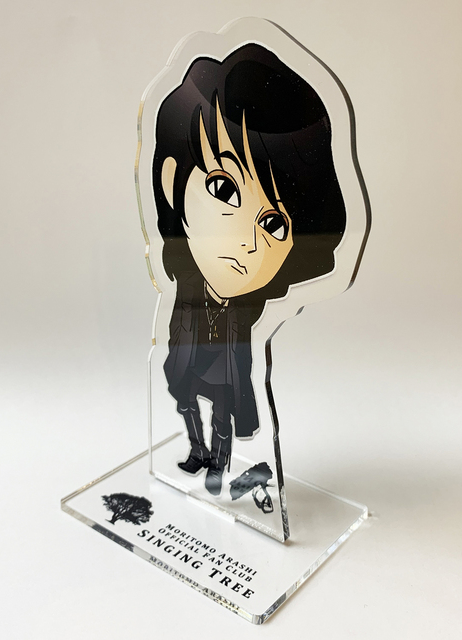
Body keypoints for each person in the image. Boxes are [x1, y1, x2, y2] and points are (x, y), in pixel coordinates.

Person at [152, 43, 347, 496]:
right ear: (171, 179)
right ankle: (197, 451)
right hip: (189, 352)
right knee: (184, 400)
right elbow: (178, 318)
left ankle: (218, 465)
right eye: (223, 189)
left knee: (222, 412)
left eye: (273, 224)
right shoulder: (185, 280)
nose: (246, 240)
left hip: (224, 362)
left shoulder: (251, 308)